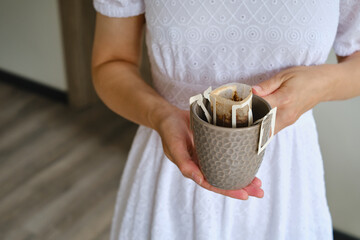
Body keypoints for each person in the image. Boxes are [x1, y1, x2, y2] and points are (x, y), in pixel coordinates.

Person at [91, 0, 360, 239]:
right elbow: (111, 61)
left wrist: (321, 84)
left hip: (287, 175)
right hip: (174, 155)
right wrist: (160, 116)